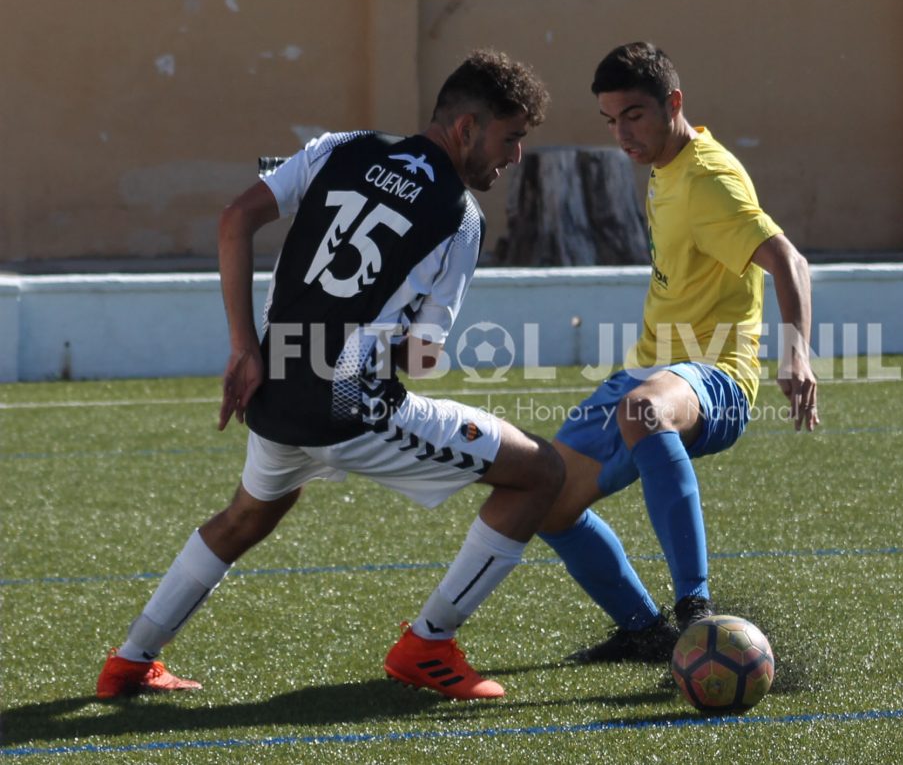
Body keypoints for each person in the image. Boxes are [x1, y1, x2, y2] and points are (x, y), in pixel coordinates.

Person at [96, 50, 560, 701]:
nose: (513, 157)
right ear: (465, 128)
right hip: (348, 409)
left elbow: (236, 219)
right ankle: (427, 643)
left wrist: (244, 348)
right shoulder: (458, 217)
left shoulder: (342, 147)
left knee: (246, 517)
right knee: (540, 471)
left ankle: (130, 659)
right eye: (510, 138)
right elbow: (421, 357)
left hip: (276, 385)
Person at [537, 42, 818, 662]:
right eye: (611, 121)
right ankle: (644, 629)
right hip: (647, 371)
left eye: (634, 115)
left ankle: (697, 609)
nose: (621, 134)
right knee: (545, 501)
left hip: (716, 375)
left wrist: (796, 353)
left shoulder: (708, 179)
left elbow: (789, 261)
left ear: (674, 104)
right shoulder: (666, 169)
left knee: (643, 411)